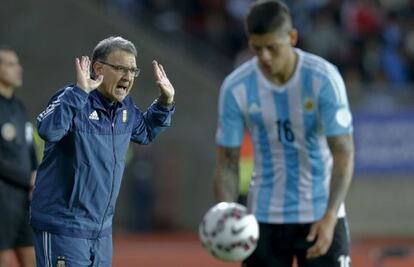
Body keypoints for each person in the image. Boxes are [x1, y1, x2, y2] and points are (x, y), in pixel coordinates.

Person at [214, 1, 354, 267]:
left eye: (272, 48)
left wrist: (330, 217)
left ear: (292, 37)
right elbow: (227, 163)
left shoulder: (323, 79)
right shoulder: (236, 87)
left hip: (319, 214)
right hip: (264, 218)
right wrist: (228, 216)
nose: (265, 57)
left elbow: (344, 153)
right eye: (257, 48)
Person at [30, 36, 175, 267]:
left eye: (132, 70)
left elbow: (145, 132)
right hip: (64, 228)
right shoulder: (72, 97)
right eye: (120, 69)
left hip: (101, 232)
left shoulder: (124, 107)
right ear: (98, 68)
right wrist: (78, 94)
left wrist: (165, 103)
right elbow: (48, 130)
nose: (128, 77)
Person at [0, 47, 37, 267]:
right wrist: (26, 178)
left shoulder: (19, 107)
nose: (19, 68)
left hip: (23, 201)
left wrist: (36, 174)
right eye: (11, 64)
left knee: (33, 259)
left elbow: (29, 148)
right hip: (2, 200)